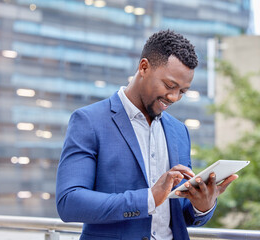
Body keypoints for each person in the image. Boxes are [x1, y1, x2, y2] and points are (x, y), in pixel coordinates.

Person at [56, 30, 238, 240]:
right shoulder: (89, 121)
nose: (174, 97)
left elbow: (179, 214)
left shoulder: (179, 131)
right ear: (144, 67)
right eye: (170, 85)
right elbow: (69, 202)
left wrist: (202, 206)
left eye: (182, 91)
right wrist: (149, 198)